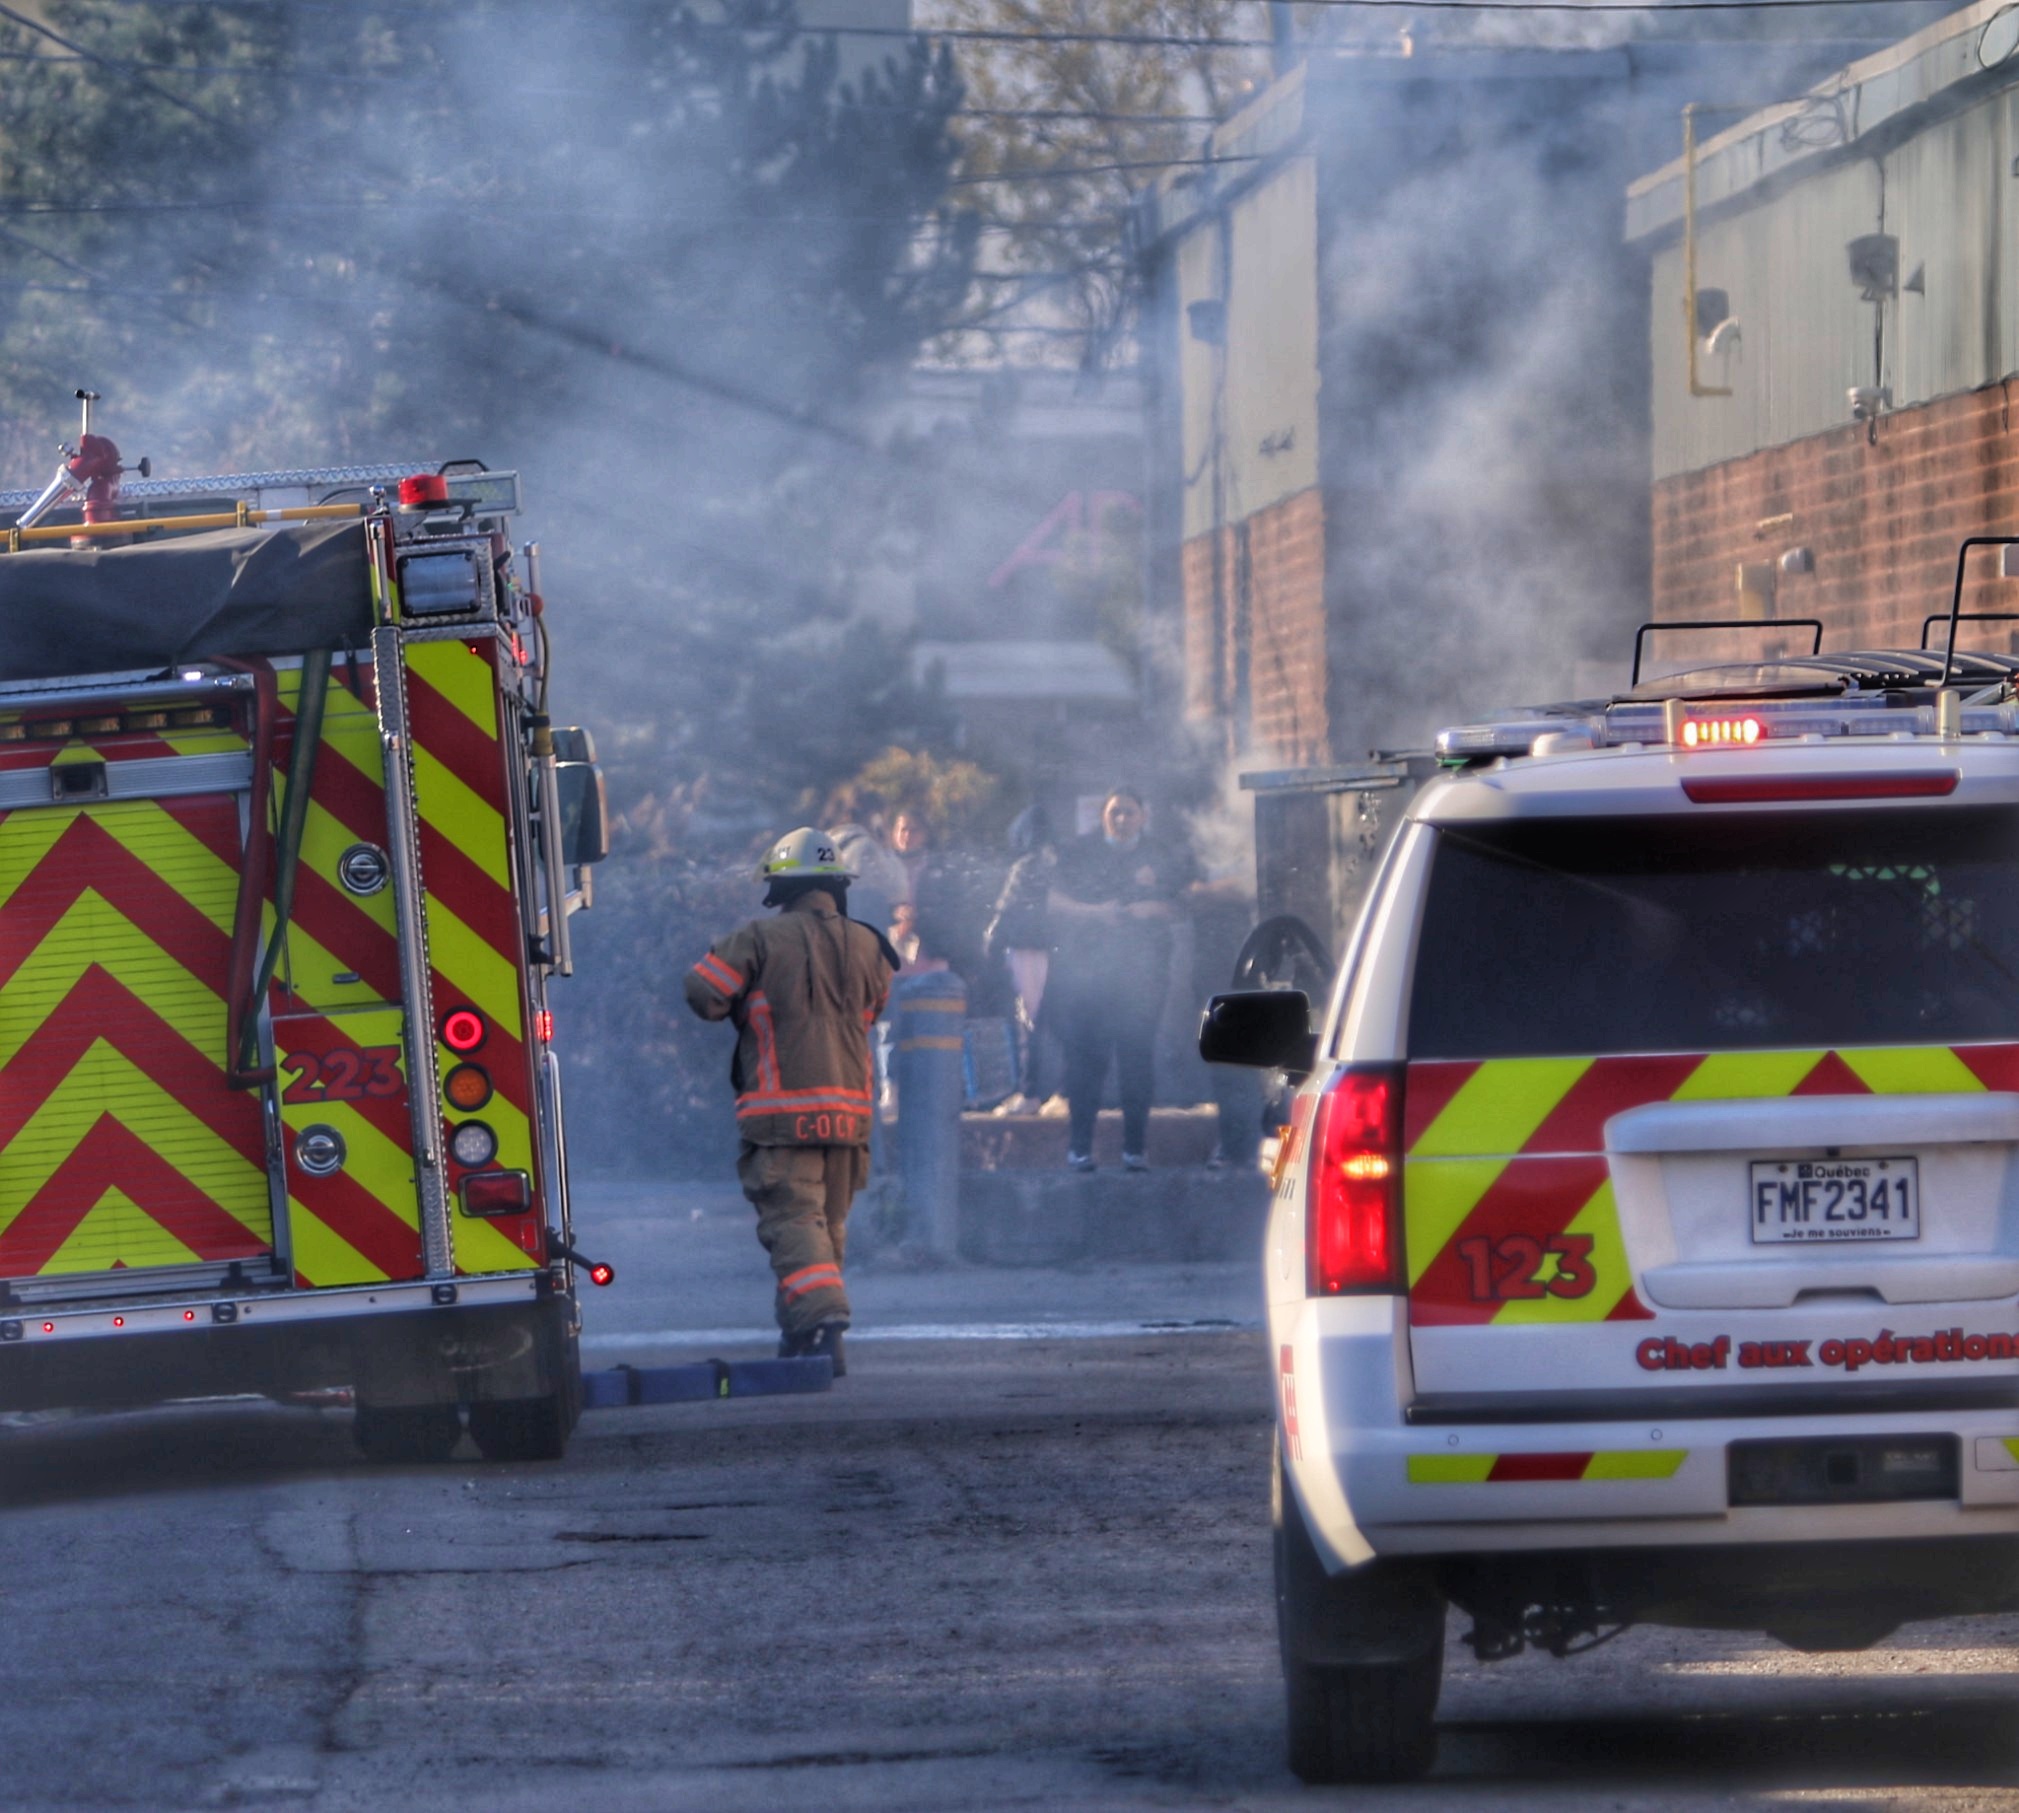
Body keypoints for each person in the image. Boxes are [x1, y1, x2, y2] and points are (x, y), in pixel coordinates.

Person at [683, 827, 899, 1376]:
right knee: (823, 1231)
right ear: (836, 886)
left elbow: (704, 993)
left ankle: (825, 1319)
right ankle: (804, 1337)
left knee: (794, 1223)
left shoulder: (757, 939)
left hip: (783, 1117)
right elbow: (875, 1009)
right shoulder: (872, 943)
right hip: (849, 1118)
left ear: (780, 888)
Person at [1047, 787, 1198, 1172]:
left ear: (1143, 816)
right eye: (1115, 812)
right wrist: (1096, 913)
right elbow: (1053, 901)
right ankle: (1079, 1147)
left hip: (1144, 976)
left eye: (1129, 812)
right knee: (1086, 1062)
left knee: (1136, 1060)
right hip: (1088, 974)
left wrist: (1152, 908)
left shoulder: (1161, 854)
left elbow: (1183, 906)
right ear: (1103, 815)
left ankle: (1135, 1149)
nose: (1121, 819)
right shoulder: (1079, 851)